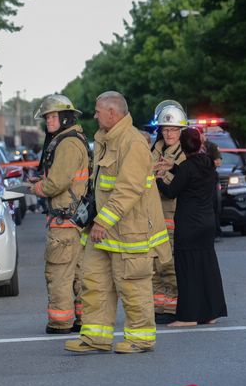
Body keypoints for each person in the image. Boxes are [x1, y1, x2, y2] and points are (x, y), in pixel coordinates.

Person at [64, 91, 171, 355]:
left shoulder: (132, 142)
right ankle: (95, 337)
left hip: (128, 231)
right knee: (95, 282)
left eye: (98, 110)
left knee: (133, 285)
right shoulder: (106, 140)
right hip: (103, 230)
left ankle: (140, 338)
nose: (95, 115)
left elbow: (128, 189)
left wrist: (103, 221)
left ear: (113, 113)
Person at [156, 127, 227, 326]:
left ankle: (188, 316)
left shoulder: (187, 167)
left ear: (183, 146)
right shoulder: (208, 165)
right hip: (206, 223)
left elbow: (171, 191)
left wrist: (158, 179)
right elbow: (191, 175)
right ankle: (211, 312)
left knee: (186, 270)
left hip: (189, 225)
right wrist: (175, 167)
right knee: (207, 267)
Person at [30, 94, 89, 334]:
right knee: (76, 272)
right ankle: (80, 319)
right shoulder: (73, 140)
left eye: (53, 116)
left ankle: (60, 321)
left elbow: (57, 184)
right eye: (46, 118)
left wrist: (37, 188)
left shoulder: (66, 144)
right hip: (74, 218)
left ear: (65, 117)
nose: (48, 121)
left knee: (59, 272)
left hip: (64, 220)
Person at [150, 102, 188, 324]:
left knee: (170, 265)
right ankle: (158, 307)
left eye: (173, 129)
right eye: (165, 129)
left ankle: (172, 307)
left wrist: (157, 177)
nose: (169, 133)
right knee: (154, 265)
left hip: (171, 216)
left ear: (181, 131)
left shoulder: (183, 156)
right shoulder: (154, 150)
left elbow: (174, 185)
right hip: (152, 217)